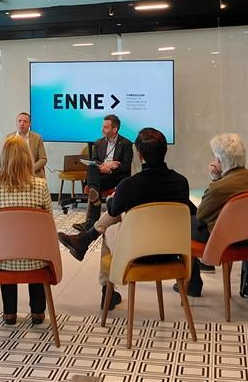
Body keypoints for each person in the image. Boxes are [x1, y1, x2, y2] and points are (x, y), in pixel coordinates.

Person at [58, 128, 192, 310]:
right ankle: (84, 240)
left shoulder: (130, 185)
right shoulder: (181, 182)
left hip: (136, 252)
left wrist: (112, 199)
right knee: (120, 216)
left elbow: (113, 210)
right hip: (172, 252)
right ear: (164, 151)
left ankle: (107, 291)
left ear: (140, 155)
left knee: (110, 228)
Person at [0, 135, 53, 326]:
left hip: (0, 260)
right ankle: (38, 311)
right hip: (36, 259)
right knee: (34, 248)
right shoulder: (40, 186)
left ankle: (9, 312)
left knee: (6, 249)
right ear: (28, 158)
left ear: (2, 157)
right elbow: (48, 226)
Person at [182, 133, 248, 297]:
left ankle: (191, 283)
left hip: (224, 240)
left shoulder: (219, 188)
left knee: (183, 222)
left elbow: (201, 214)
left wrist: (215, 179)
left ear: (220, 161)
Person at [72, 114, 133, 232]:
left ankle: (90, 223)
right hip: (101, 174)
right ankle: (93, 192)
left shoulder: (126, 144)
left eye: (106, 127)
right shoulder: (98, 143)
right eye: (102, 126)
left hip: (116, 177)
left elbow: (126, 167)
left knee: (95, 185)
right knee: (91, 167)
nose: (102, 129)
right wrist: (105, 165)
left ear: (115, 129)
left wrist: (110, 169)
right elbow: (95, 160)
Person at [7, 112, 47, 179]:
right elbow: (5, 158)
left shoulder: (37, 138)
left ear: (30, 124)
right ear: (16, 123)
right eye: (19, 121)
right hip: (13, 173)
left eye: (25, 121)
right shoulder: (9, 137)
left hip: (33, 173)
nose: (22, 124)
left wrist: (30, 169)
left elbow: (43, 159)